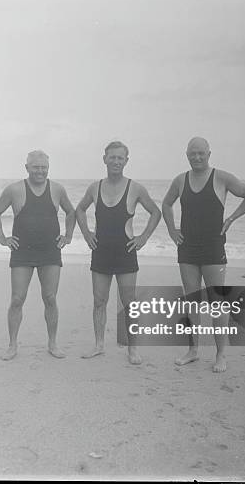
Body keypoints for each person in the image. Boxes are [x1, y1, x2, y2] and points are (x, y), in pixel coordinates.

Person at [161, 136, 245, 372]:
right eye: (192, 153)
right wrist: (172, 230)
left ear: (208, 153)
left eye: (201, 153)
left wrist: (232, 219)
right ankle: (193, 351)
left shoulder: (222, 178)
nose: (196, 157)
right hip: (187, 249)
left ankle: (221, 355)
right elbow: (166, 204)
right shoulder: (180, 180)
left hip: (214, 248)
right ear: (186, 154)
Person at [76, 141, 161, 365]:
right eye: (112, 157)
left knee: (129, 302)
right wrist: (86, 233)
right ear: (104, 159)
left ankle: (133, 349)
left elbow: (155, 212)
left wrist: (143, 238)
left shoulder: (136, 188)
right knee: (99, 300)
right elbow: (79, 209)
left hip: (125, 252)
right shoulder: (95, 187)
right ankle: (99, 345)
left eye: (120, 158)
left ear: (126, 161)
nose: (115, 161)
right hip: (101, 251)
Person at [0, 150, 76, 360]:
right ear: (27, 167)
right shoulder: (14, 189)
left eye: (44, 167)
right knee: (17, 299)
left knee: (50, 298)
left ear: (48, 168)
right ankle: (12, 345)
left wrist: (68, 236)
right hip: (22, 252)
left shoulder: (57, 189)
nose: (40, 171)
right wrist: (2, 238)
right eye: (36, 167)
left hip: (50, 251)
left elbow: (71, 212)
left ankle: (53, 344)